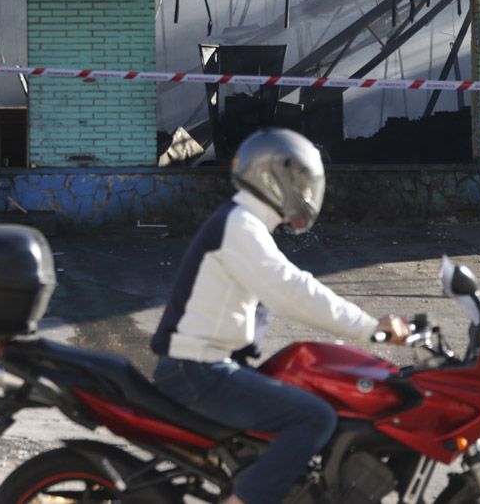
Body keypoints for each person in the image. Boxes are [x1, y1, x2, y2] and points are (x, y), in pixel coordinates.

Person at [150, 127, 410, 504]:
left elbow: (292, 287)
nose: (305, 195)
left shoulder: (242, 222)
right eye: (299, 184)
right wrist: (371, 328)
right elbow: (293, 291)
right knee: (314, 418)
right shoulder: (240, 225)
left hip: (207, 364)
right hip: (197, 370)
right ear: (273, 180)